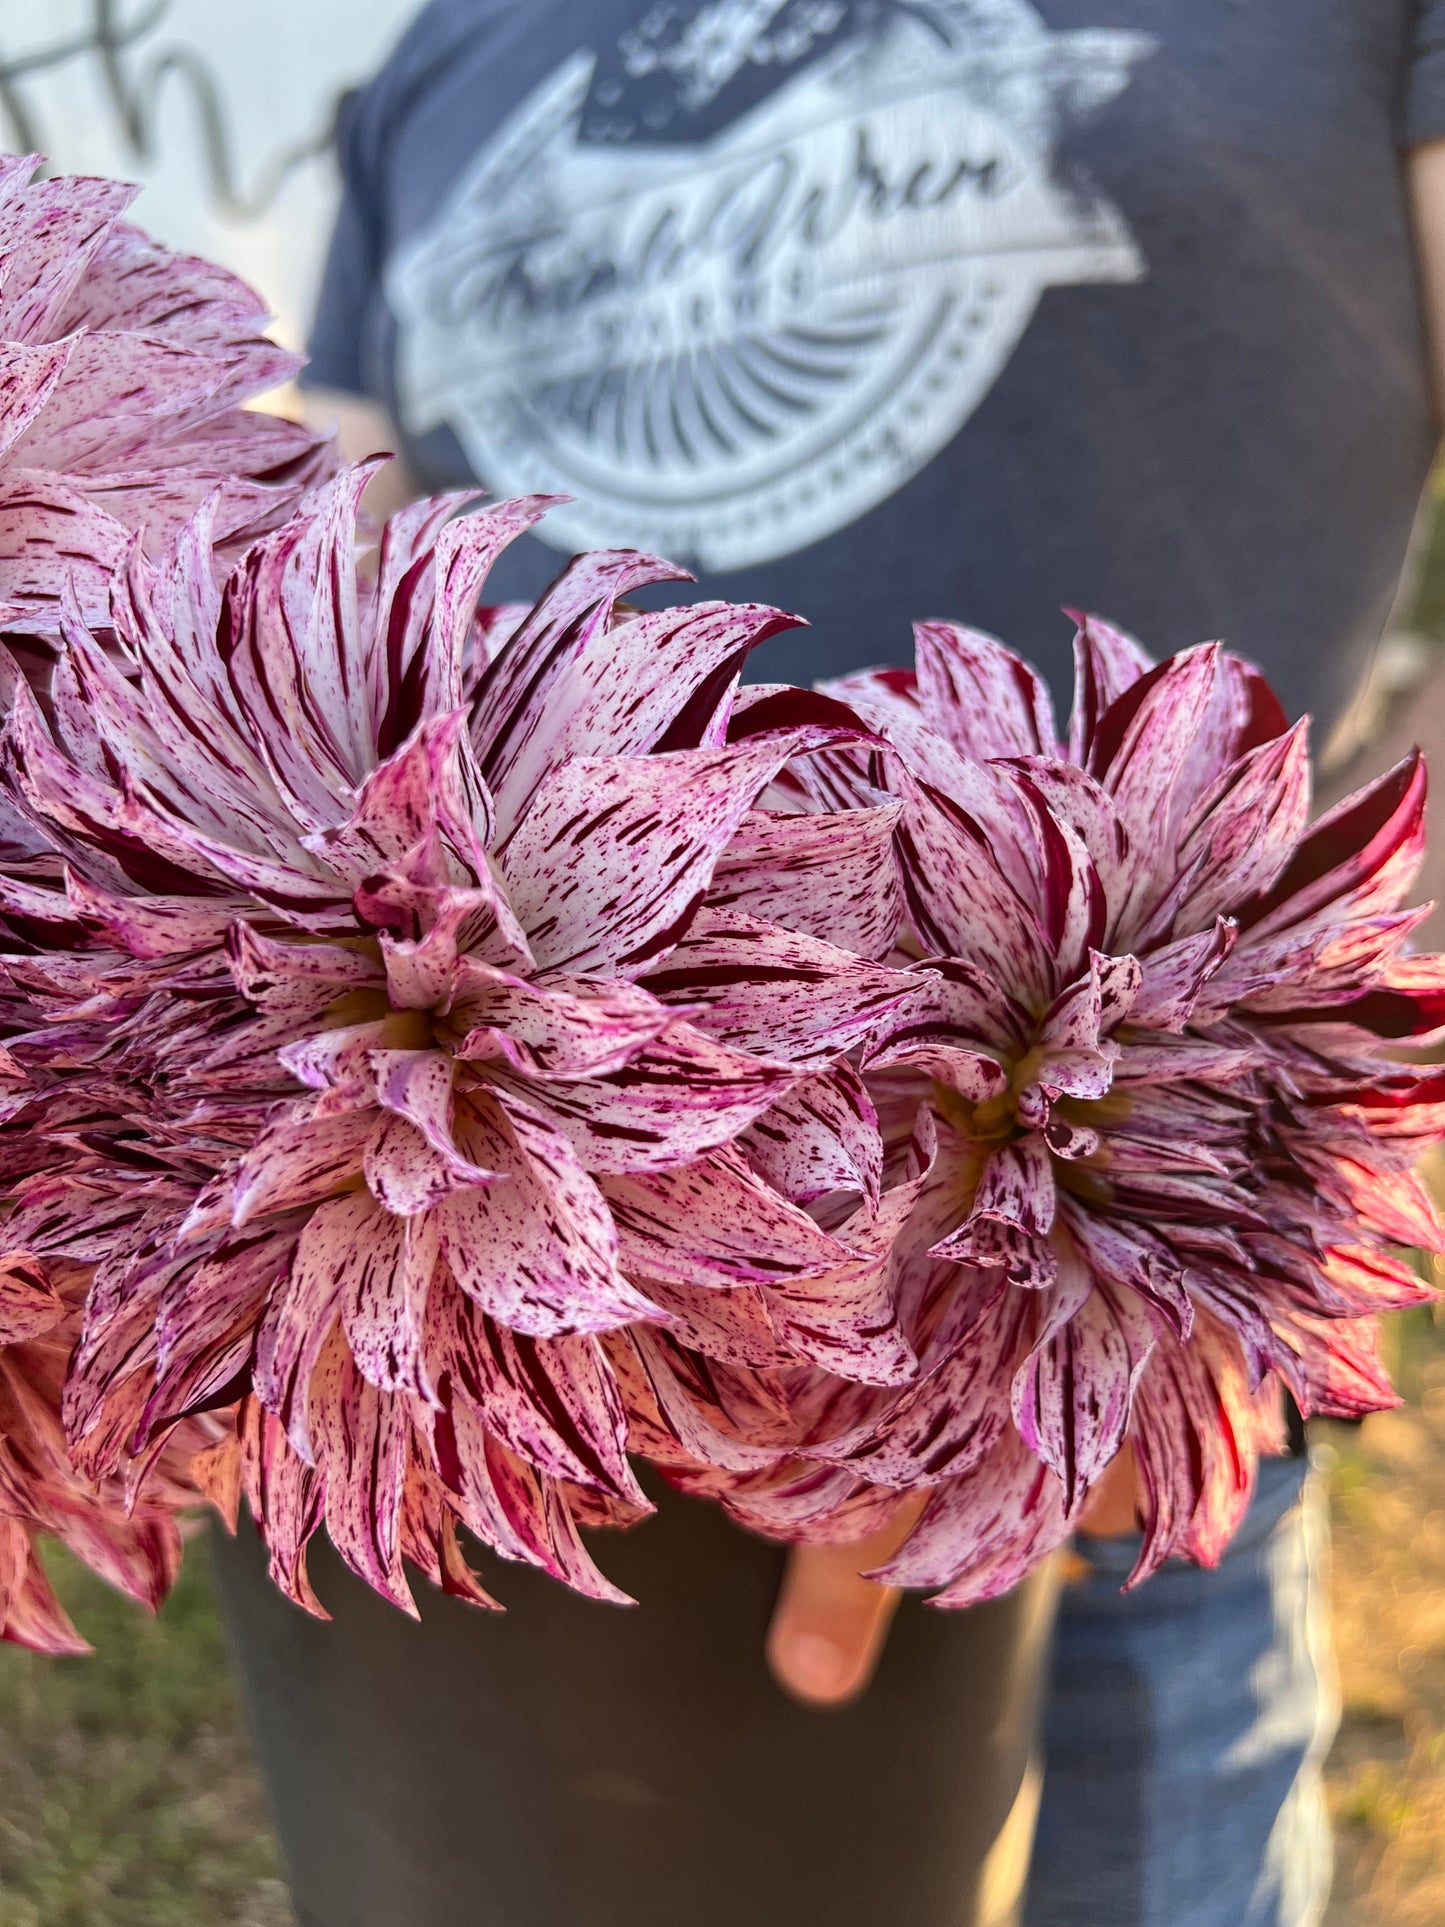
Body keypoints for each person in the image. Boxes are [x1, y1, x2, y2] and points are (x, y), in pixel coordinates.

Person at [209, 5, 1445, 1925]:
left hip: (1101, 1309)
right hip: (504, 1351)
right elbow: (327, 600)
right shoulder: (451, 53)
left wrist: (1289, 1105)